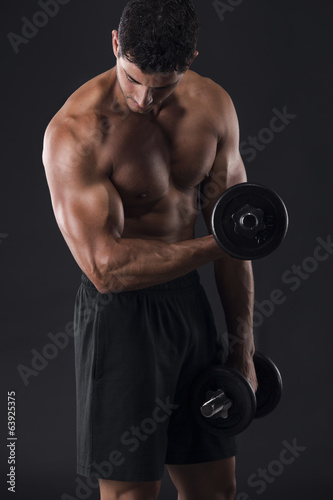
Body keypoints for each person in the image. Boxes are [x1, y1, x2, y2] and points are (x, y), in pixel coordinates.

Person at [42, 1, 258, 499]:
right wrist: (223, 241)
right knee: (131, 495)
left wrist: (243, 348)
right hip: (121, 319)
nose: (144, 99)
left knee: (215, 489)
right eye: (134, 79)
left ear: (192, 58)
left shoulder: (214, 106)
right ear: (116, 44)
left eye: (162, 85)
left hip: (190, 305)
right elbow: (106, 269)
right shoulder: (75, 130)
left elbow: (236, 237)